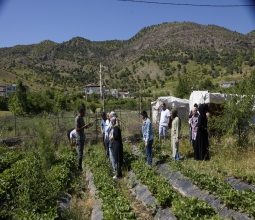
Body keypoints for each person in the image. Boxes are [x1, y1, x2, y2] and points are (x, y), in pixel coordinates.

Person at [75, 106, 93, 171]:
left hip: (82, 138)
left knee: (81, 153)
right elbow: (77, 129)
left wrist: (88, 126)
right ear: (81, 112)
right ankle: (79, 167)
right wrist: (84, 126)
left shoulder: (82, 118)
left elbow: (84, 127)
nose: (84, 113)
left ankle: (80, 167)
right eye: (84, 112)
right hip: (79, 138)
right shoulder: (77, 119)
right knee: (80, 153)